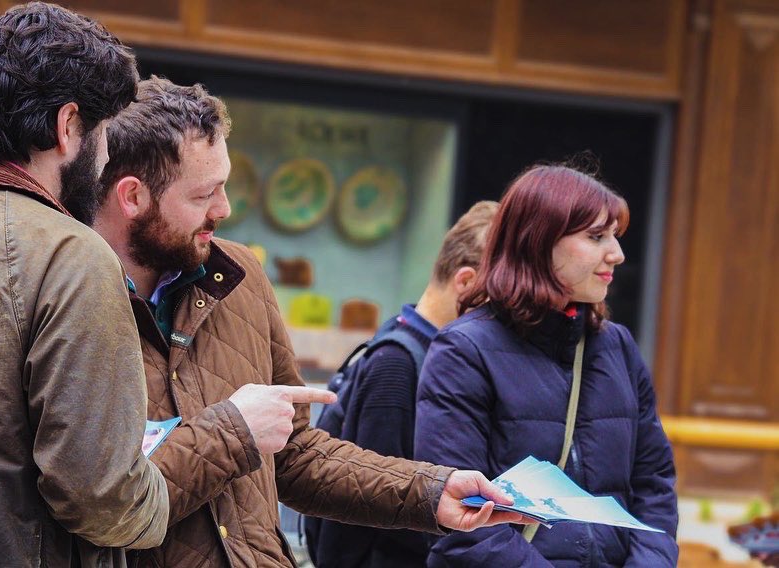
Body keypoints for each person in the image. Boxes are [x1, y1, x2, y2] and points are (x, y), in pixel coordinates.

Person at [93, 76, 525, 568]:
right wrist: (235, 430)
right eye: (204, 194)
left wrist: (430, 491)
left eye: (226, 186)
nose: (225, 209)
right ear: (132, 197)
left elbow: (295, 455)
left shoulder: (239, 275)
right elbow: (103, 507)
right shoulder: (66, 300)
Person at [0, 4, 169, 566]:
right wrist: (159, 501)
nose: (106, 157)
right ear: (68, 128)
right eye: (104, 133)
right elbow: (100, 495)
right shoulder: (73, 257)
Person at [414, 165, 679, 567]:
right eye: (596, 237)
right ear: (538, 242)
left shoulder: (618, 346)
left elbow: (654, 485)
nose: (617, 254)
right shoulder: (463, 350)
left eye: (615, 237)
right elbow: (463, 519)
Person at [308, 200, 499, 568]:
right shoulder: (398, 365)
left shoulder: (418, 348)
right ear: (466, 282)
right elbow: (358, 506)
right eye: (499, 300)